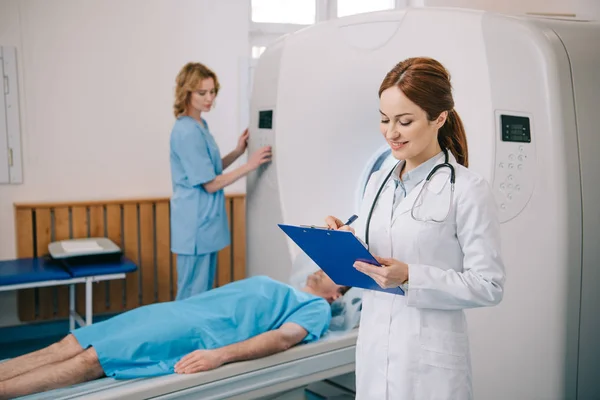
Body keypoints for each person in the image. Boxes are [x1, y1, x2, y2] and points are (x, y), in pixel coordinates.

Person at [325, 57, 506, 400]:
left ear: (439, 118)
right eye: (384, 119)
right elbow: (374, 249)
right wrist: (343, 241)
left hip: (429, 366)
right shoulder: (379, 180)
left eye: (404, 121)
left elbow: (490, 285)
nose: (391, 132)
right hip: (376, 351)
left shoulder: (467, 189)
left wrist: (410, 276)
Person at [0, 271, 349, 399]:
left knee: (92, 359)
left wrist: (220, 355)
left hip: (191, 332)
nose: (325, 267)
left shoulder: (315, 308)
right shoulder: (287, 285)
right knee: (71, 342)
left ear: (336, 296)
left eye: (337, 274)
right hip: (174, 311)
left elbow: (282, 339)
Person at [170, 62, 272, 300]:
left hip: (204, 221)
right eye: (202, 93)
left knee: (201, 292)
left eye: (212, 91)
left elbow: (210, 170)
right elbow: (211, 183)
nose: (209, 98)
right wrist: (251, 165)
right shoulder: (186, 131)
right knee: (192, 294)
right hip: (194, 224)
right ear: (186, 92)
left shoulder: (200, 125)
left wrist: (238, 151)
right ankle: (186, 337)